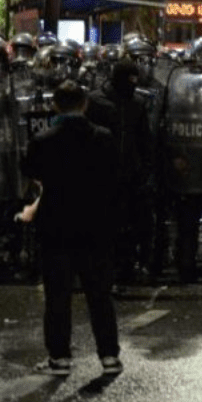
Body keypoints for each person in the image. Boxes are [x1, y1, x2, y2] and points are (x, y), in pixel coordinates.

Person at [22, 80, 122, 376]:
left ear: (55, 105)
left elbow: (31, 172)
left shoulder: (43, 139)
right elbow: (114, 177)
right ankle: (109, 356)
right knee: (99, 295)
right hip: (95, 225)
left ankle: (60, 357)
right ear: (85, 104)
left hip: (57, 225)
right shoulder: (103, 138)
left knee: (58, 296)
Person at [86, 58, 157, 284]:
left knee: (131, 223)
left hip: (130, 173)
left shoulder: (136, 103)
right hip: (102, 173)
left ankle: (125, 267)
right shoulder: (96, 101)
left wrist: (145, 167)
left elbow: (143, 137)